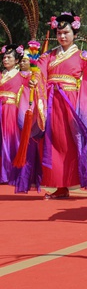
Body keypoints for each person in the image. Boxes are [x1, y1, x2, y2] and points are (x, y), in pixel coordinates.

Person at [31, 12, 87, 199]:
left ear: (74, 33)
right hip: (52, 103)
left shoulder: (82, 55)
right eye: (59, 33)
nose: (62, 36)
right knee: (57, 144)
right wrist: (35, 80)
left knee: (84, 143)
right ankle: (61, 186)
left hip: (72, 104)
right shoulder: (49, 55)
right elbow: (39, 71)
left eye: (66, 32)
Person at [0, 44, 27, 184]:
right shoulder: (1, 74)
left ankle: (11, 172)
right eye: (4, 57)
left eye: (9, 57)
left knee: (10, 140)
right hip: (0, 108)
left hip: (11, 110)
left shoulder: (22, 76)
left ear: (17, 60)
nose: (5, 59)